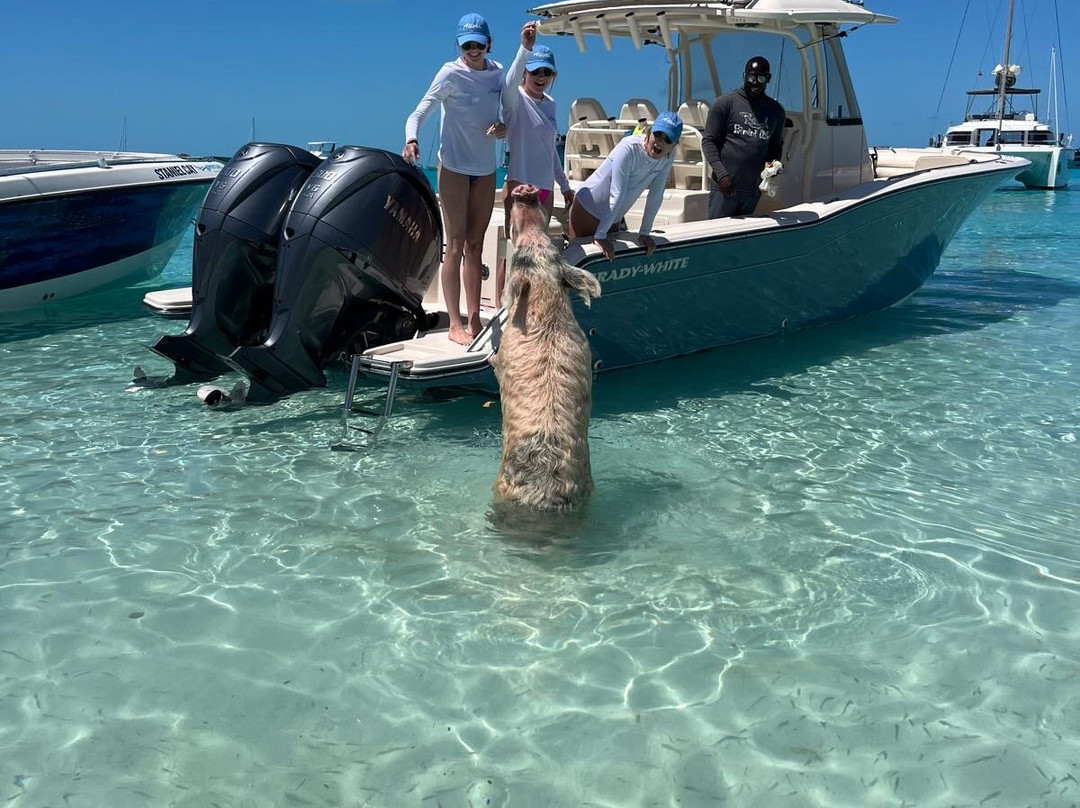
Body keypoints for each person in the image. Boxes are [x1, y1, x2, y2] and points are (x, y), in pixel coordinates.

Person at [403, 13, 505, 345]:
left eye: (478, 44)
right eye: (467, 45)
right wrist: (412, 139)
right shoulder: (450, 72)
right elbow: (419, 112)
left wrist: (502, 126)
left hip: (486, 169)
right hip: (454, 167)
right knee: (457, 244)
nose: (472, 50)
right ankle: (455, 323)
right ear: (459, 45)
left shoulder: (498, 74)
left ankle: (475, 318)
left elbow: (506, 113)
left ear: (488, 44)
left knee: (476, 245)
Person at [497, 22, 574, 302]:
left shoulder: (551, 104)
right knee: (514, 251)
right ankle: (502, 306)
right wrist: (525, 47)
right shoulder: (515, 100)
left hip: (545, 189)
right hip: (519, 185)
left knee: (535, 253)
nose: (540, 76)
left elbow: (550, 149)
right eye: (535, 71)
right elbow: (508, 81)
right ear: (526, 73)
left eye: (546, 71)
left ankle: (527, 303)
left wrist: (564, 185)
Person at [567, 111, 683, 261]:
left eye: (668, 140)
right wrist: (601, 235)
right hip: (588, 209)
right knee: (577, 266)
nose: (660, 142)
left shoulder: (668, 156)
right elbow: (617, 192)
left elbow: (656, 194)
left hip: (613, 217)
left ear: (674, 145)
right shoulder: (628, 148)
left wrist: (645, 233)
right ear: (650, 131)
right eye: (658, 134)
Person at [701, 56, 785, 218]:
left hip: (752, 191)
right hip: (725, 188)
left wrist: (773, 167)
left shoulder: (776, 111)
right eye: (751, 77)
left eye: (760, 78)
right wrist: (721, 174)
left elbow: (775, 147)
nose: (755, 82)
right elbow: (708, 141)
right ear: (744, 76)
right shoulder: (725, 103)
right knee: (718, 237)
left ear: (768, 79)